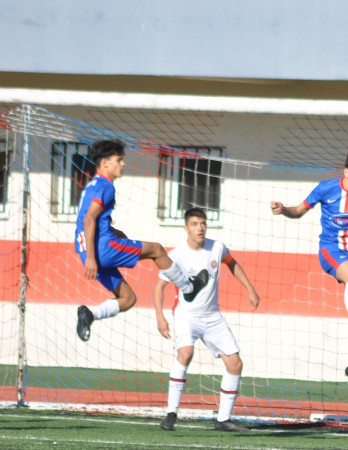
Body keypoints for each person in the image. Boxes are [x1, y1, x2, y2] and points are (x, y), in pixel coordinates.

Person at [271, 152, 348, 400]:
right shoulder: (326, 189)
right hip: (331, 250)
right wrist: (284, 210)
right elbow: (299, 210)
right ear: (346, 173)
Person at [74, 139, 208, 342]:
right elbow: (89, 218)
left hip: (87, 250)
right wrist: (94, 257)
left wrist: (113, 235)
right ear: (105, 163)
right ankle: (188, 289)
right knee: (157, 249)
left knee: (128, 299)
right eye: (119, 160)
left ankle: (90, 315)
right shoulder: (106, 186)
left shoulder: (91, 186)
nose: (123, 164)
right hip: (101, 250)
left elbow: (92, 219)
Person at [154, 208, 260, 432]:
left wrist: (250, 289)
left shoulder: (217, 247)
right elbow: (159, 286)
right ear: (186, 228)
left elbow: (232, 264)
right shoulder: (176, 255)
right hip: (186, 315)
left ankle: (223, 420)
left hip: (212, 315)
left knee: (235, 363)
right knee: (185, 353)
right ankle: (171, 413)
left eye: (202, 223)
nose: (200, 228)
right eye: (194, 224)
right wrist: (160, 317)